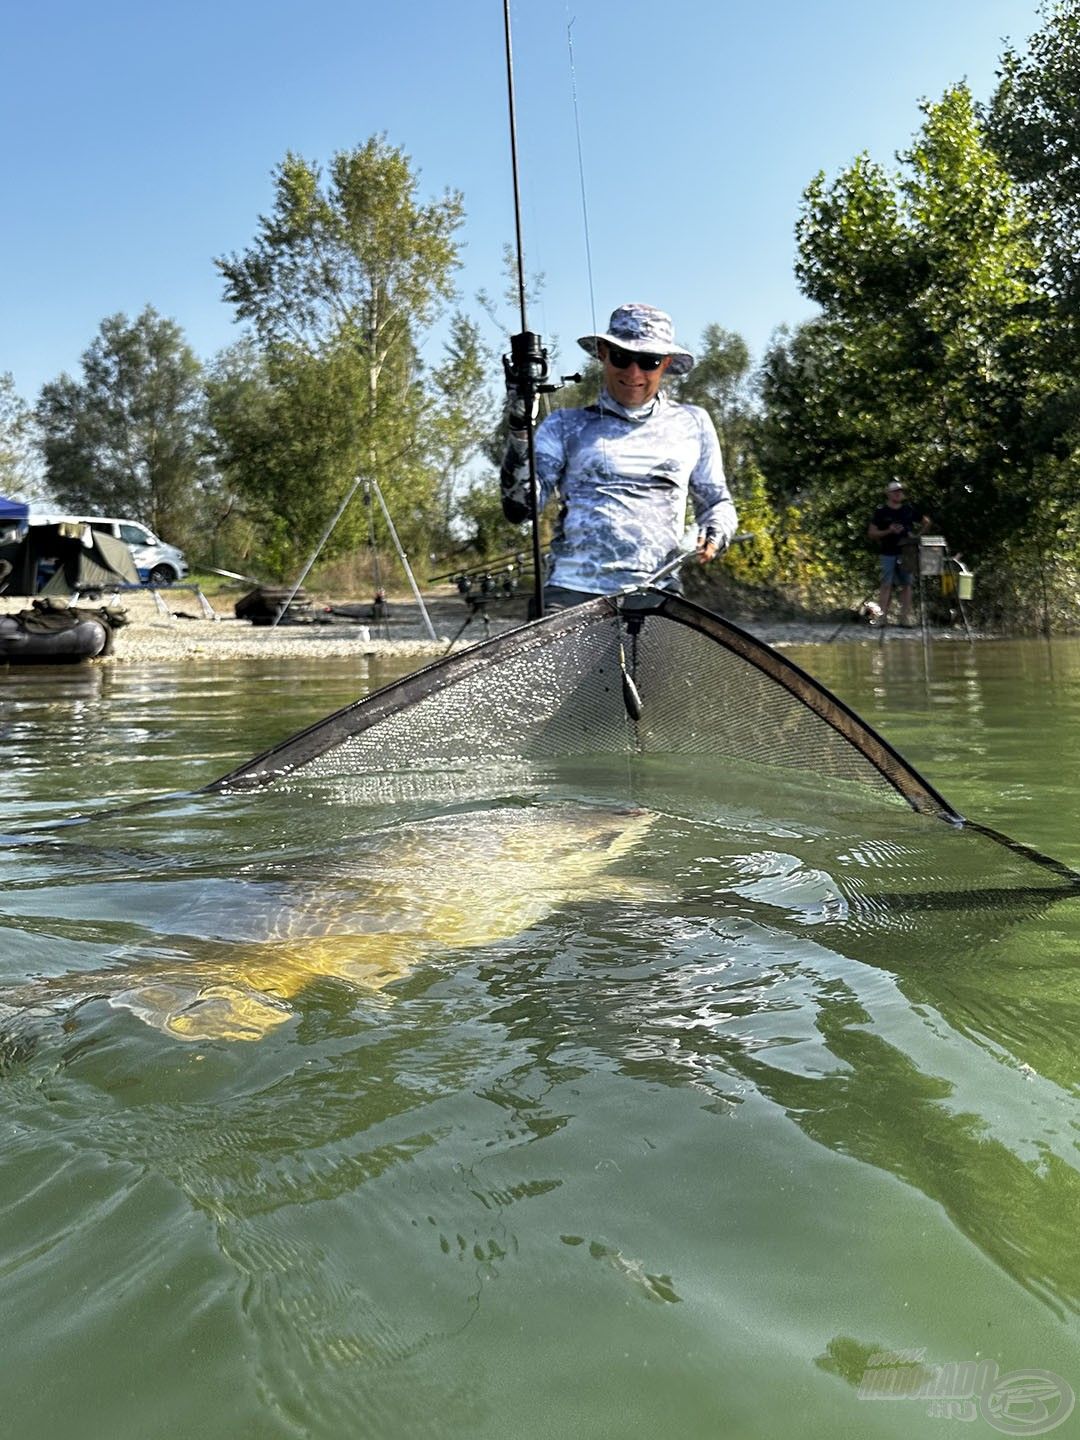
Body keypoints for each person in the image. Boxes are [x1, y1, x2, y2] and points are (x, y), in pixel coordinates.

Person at [500, 303, 738, 609]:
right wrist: (520, 428)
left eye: (648, 361)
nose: (634, 373)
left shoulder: (693, 423)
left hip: (659, 591)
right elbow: (519, 508)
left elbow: (718, 503)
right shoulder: (565, 425)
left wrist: (714, 533)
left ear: (665, 363)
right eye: (622, 358)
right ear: (603, 353)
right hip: (570, 593)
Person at [867, 480, 931, 626]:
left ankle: (904, 618)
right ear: (888, 494)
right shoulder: (881, 512)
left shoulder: (908, 510)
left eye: (900, 491)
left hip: (907, 551)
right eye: (895, 491)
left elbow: (926, 521)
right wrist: (889, 531)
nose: (898, 494)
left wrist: (916, 536)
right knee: (886, 584)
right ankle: (881, 617)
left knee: (907, 584)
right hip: (888, 552)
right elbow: (872, 533)